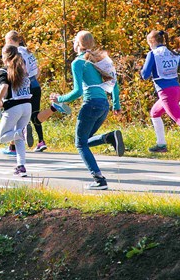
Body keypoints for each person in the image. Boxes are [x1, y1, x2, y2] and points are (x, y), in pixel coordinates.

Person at [49, 31, 124, 190]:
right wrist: (116, 105)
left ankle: (99, 180)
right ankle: (108, 138)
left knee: (80, 143)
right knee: (85, 139)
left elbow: (78, 92)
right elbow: (114, 83)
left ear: (78, 44)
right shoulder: (99, 59)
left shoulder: (78, 62)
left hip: (90, 104)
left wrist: (59, 99)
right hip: (103, 104)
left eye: (74, 40)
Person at [140, 30, 180, 153]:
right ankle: (161, 144)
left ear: (152, 42)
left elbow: (145, 75)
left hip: (165, 92)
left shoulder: (153, 54)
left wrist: (143, 70)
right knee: (155, 113)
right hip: (176, 89)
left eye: (149, 43)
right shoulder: (173, 53)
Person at [0, 45, 34, 177]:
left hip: (14, 106)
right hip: (27, 105)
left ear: (5, 56)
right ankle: (21, 166)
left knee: (2, 137)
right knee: (18, 138)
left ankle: (22, 132)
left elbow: (5, 86)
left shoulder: (3, 70)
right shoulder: (23, 70)